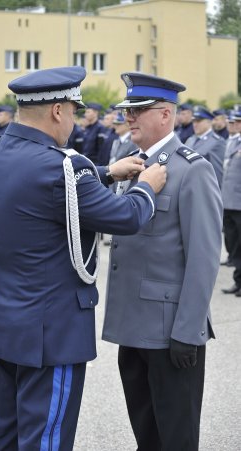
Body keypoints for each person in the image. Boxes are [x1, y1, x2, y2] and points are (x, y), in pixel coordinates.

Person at [0, 66, 167, 451]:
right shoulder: (64, 167)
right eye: (74, 112)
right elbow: (127, 217)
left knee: (1, 435)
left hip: (2, 324)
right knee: (46, 439)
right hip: (50, 333)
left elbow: (42, 181)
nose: (75, 122)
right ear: (57, 111)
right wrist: (146, 187)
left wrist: (106, 173)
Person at [102, 72, 223, 451]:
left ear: (167, 116)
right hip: (132, 327)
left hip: (170, 333)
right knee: (147, 435)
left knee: (176, 438)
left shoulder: (192, 169)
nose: (129, 118)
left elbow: (204, 259)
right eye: (127, 111)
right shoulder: (132, 164)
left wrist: (188, 332)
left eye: (139, 110)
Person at [221, 110, 241, 295]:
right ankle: (238, 280)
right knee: (232, 241)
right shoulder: (232, 141)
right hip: (227, 200)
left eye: (237, 122)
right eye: (232, 122)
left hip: (239, 202)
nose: (233, 125)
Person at [185, 105, 226, 187]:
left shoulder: (217, 142)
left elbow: (217, 175)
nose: (195, 124)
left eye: (198, 121)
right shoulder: (190, 140)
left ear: (209, 121)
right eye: (194, 121)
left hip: (204, 188)